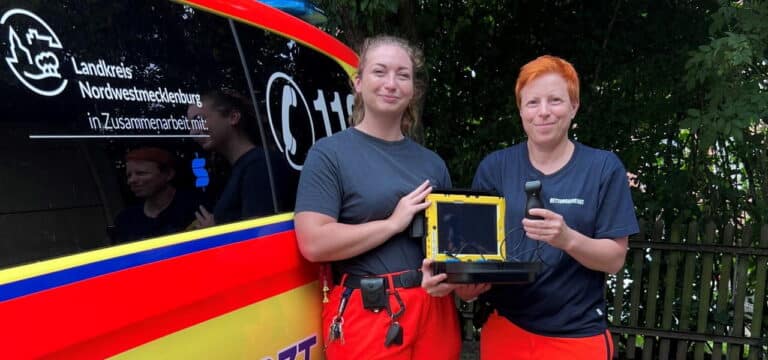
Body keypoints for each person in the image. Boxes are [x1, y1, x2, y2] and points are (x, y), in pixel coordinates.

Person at [422, 55, 639, 359]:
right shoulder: (495, 168)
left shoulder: (603, 168)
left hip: (576, 338)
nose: (544, 112)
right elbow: (474, 254)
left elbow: (615, 260)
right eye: (533, 102)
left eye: (555, 100)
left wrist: (567, 239)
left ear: (574, 107)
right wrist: (463, 286)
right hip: (506, 329)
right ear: (521, 110)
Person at [294, 35, 460, 359]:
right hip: (368, 311)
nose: (391, 83)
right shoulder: (329, 154)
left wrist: (454, 278)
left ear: (413, 89)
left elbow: (449, 245)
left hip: (434, 309)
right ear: (358, 82)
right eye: (380, 72)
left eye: (403, 75)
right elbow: (313, 242)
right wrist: (392, 223)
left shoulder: (432, 163)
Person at [187, 89, 282, 227]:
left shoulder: (258, 165)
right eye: (190, 126)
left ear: (233, 117)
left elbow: (258, 234)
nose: (193, 131)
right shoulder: (234, 169)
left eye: (199, 120)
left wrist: (214, 230)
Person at [112, 147, 201, 243]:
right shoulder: (125, 220)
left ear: (168, 174)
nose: (131, 180)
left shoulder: (197, 208)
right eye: (129, 175)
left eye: (141, 173)